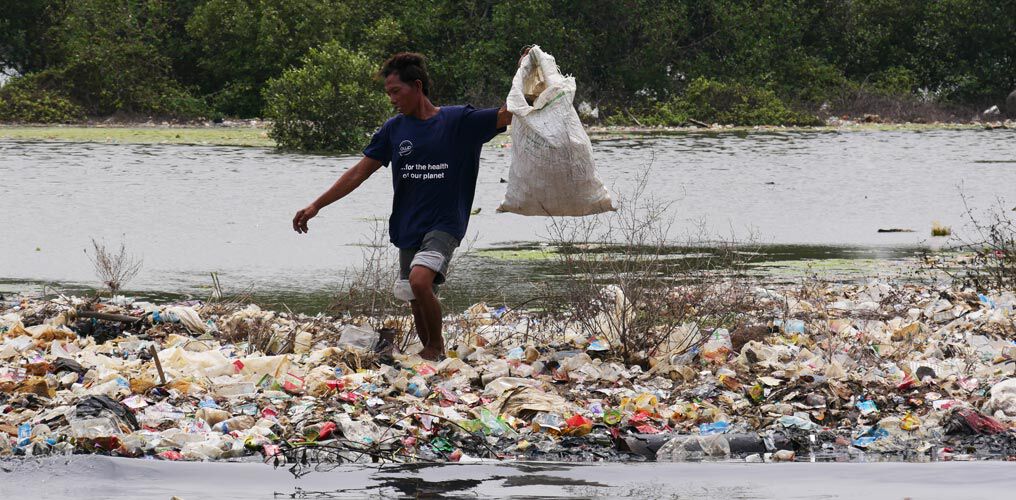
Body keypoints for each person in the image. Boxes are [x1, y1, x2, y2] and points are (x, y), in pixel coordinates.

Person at [292, 52, 514, 361]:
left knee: (420, 280)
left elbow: (508, 114)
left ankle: (436, 346)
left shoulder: (458, 120)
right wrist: (317, 205)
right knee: (414, 295)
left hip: (445, 223)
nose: (392, 99)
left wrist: (525, 72)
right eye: (388, 93)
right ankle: (431, 354)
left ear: (417, 86)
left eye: (396, 91)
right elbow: (359, 172)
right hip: (409, 224)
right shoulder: (394, 130)